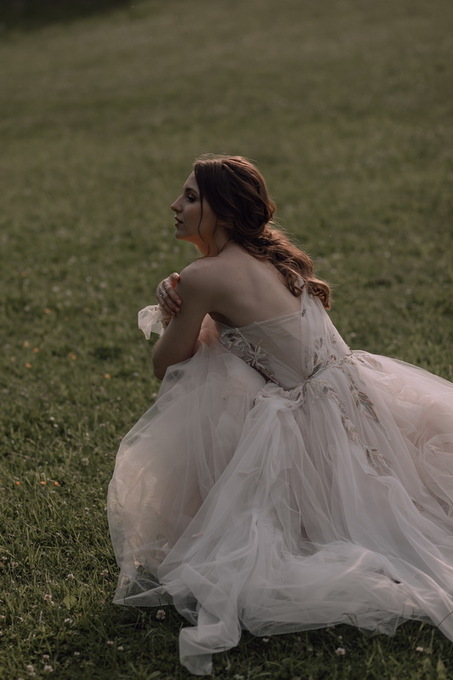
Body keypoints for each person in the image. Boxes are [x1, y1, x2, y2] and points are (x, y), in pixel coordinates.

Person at [108, 155, 453, 676]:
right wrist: (187, 294)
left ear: (224, 212)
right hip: (358, 393)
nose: (175, 205)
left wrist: (174, 306)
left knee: (210, 378)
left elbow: (165, 364)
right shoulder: (271, 255)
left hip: (311, 415)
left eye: (191, 197)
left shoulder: (204, 276)